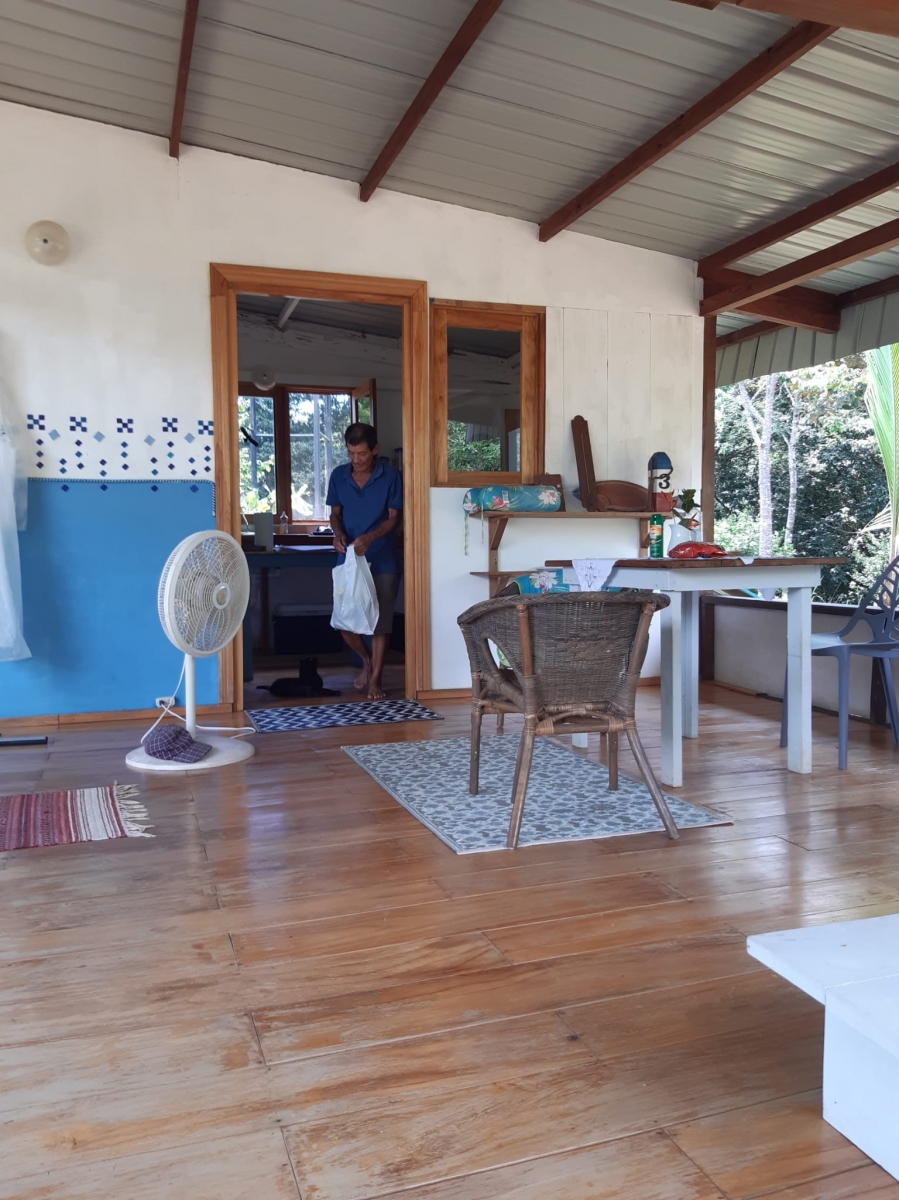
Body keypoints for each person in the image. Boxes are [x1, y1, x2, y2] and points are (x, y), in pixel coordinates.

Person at [326, 423, 402, 700]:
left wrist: (370, 537)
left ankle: (376, 680)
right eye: (351, 453)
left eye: (361, 454)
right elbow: (335, 514)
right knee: (343, 621)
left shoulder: (391, 476)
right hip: (348, 559)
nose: (355, 460)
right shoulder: (338, 476)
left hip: (382, 558)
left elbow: (394, 518)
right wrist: (337, 534)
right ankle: (366, 661)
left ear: (374, 450)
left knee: (380, 623)